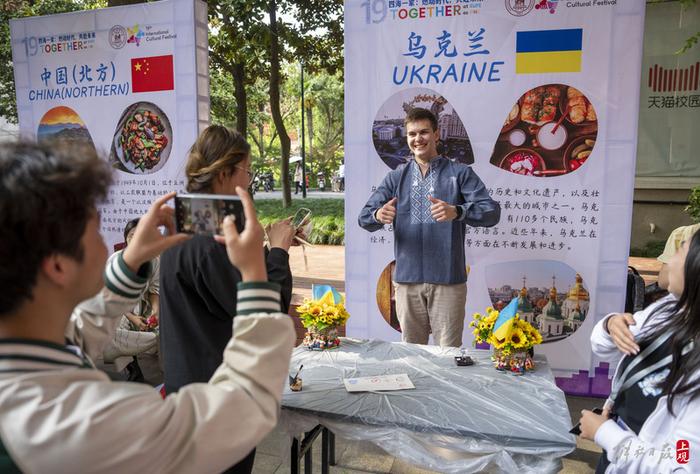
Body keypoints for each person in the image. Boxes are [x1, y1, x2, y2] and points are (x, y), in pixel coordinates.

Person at [0, 141, 295, 472]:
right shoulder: (81, 423)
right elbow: (244, 407)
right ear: (58, 266)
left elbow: (79, 330)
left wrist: (132, 260)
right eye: (96, 227)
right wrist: (256, 272)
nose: (109, 240)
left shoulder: (24, 351)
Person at [159, 125, 295, 473]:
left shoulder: (185, 221)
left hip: (187, 384)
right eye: (247, 172)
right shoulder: (211, 240)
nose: (249, 182)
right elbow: (266, 315)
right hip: (217, 395)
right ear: (224, 173)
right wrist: (278, 251)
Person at [358, 108, 500, 347]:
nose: (418, 139)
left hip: (448, 280)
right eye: (412, 134)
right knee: (413, 353)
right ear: (407, 138)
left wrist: (458, 211)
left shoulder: (459, 173)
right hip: (407, 281)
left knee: (447, 352)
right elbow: (364, 217)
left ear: (437, 134)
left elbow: (491, 212)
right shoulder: (396, 177)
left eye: (424, 132)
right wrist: (378, 214)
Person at [582, 231, 700, 473]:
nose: (669, 261)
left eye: (680, 250)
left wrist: (606, 434)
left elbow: (680, 465)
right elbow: (602, 348)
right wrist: (610, 325)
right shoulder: (666, 310)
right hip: (615, 454)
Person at [100, 218, 162, 383]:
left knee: (164, 324)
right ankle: (131, 368)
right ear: (125, 238)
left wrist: (156, 311)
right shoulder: (115, 260)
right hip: (118, 306)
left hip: (144, 305)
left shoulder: (154, 260)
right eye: (131, 236)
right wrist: (132, 316)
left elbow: (154, 290)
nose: (135, 240)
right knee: (119, 327)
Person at [657, 223, 700, 290]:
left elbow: (664, 282)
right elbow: (664, 282)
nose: (672, 262)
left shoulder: (683, 233)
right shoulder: (682, 233)